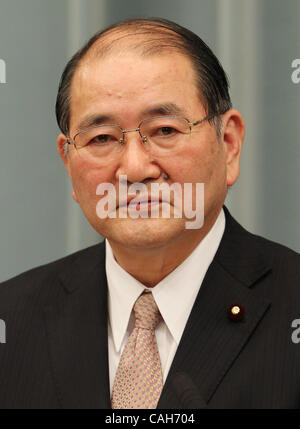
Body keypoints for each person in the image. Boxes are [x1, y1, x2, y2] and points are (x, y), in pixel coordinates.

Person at [0, 17, 299, 410]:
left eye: (164, 131)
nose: (136, 169)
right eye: (102, 138)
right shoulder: (13, 320)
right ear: (68, 161)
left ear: (228, 145)